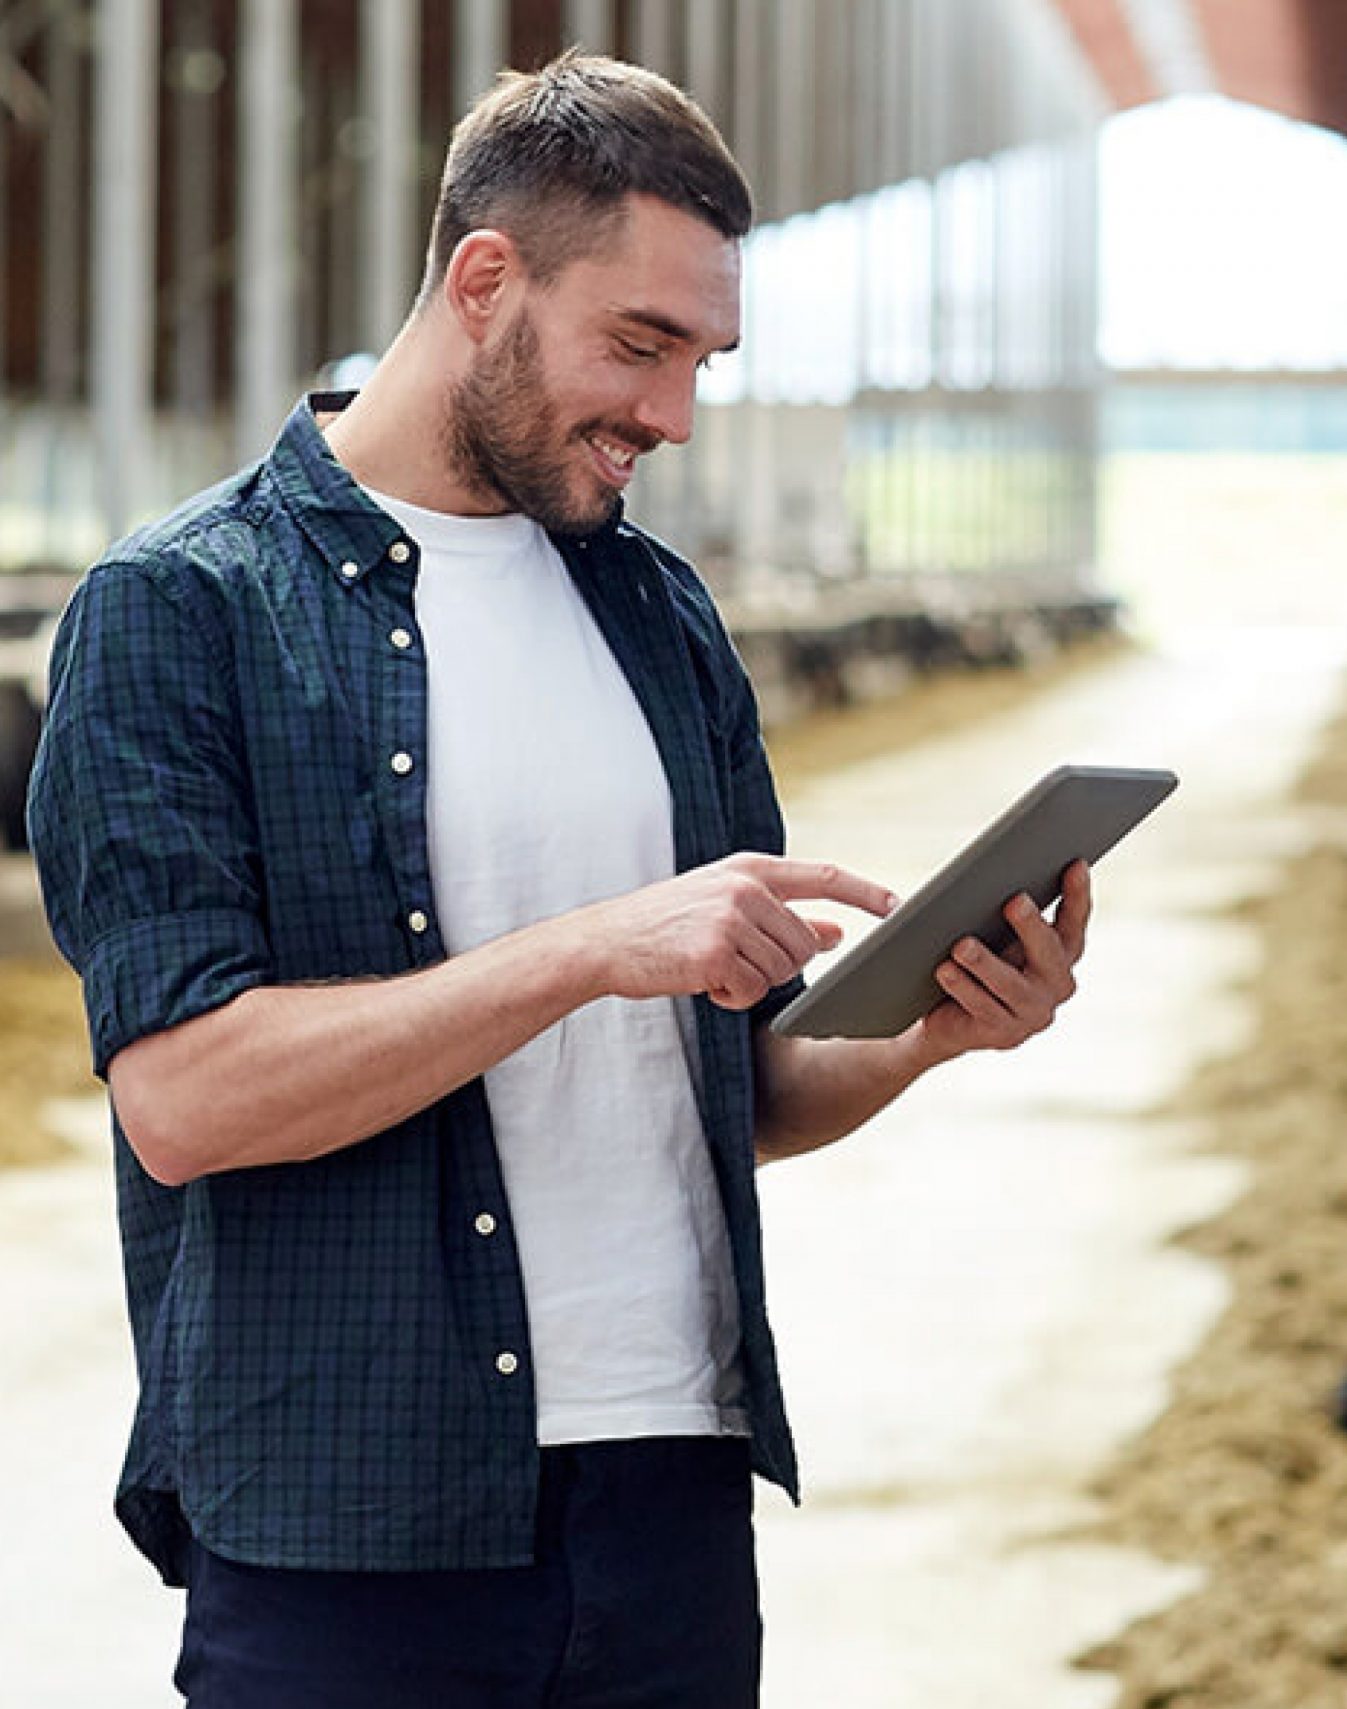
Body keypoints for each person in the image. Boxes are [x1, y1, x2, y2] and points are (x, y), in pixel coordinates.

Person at [27, 56, 1088, 1709]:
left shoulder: (661, 619)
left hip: (668, 1492)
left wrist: (939, 1031)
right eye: (639, 344)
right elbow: (187, 1096)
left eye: (703, 362)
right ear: (483, 279)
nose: (671, 412)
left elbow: (736, 1084)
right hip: (347, 1520)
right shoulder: (182, 611)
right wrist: (589, 947)